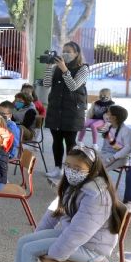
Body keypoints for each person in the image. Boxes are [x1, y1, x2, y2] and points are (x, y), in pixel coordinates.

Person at [0, 146, 126, 262]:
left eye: (77, 168)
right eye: (68, 166)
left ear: (92, 169)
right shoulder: (76, 183)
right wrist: (36, 235)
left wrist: (56, 253)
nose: (71, 171)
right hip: (76, 238)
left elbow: (80, 232)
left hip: (91, 248)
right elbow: (55, 211)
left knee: (29, 250)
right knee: (24, 242)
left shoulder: (96, 195)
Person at [44, 41, 89, 180]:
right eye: (64, 50)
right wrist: (48, 68)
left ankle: (70, 170)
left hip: (72, 112)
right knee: (56, 141)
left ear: (76, 53)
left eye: (69, 51)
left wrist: (64, 70)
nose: (65, 53)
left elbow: (73, 86)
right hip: (55, 109)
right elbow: (46, 84)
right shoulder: (57, 67)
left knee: (70, 142)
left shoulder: (83, 68)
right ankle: (57, 168)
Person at [99, 105, 131, 172]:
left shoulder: (127, 131)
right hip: (106, 154)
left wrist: (114, 157)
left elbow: (128, 149)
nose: (105, 114)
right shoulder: (108, 126)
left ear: (114, 117)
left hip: (120, 158)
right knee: (88, 159)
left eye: (108, 113)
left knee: (98, 169)